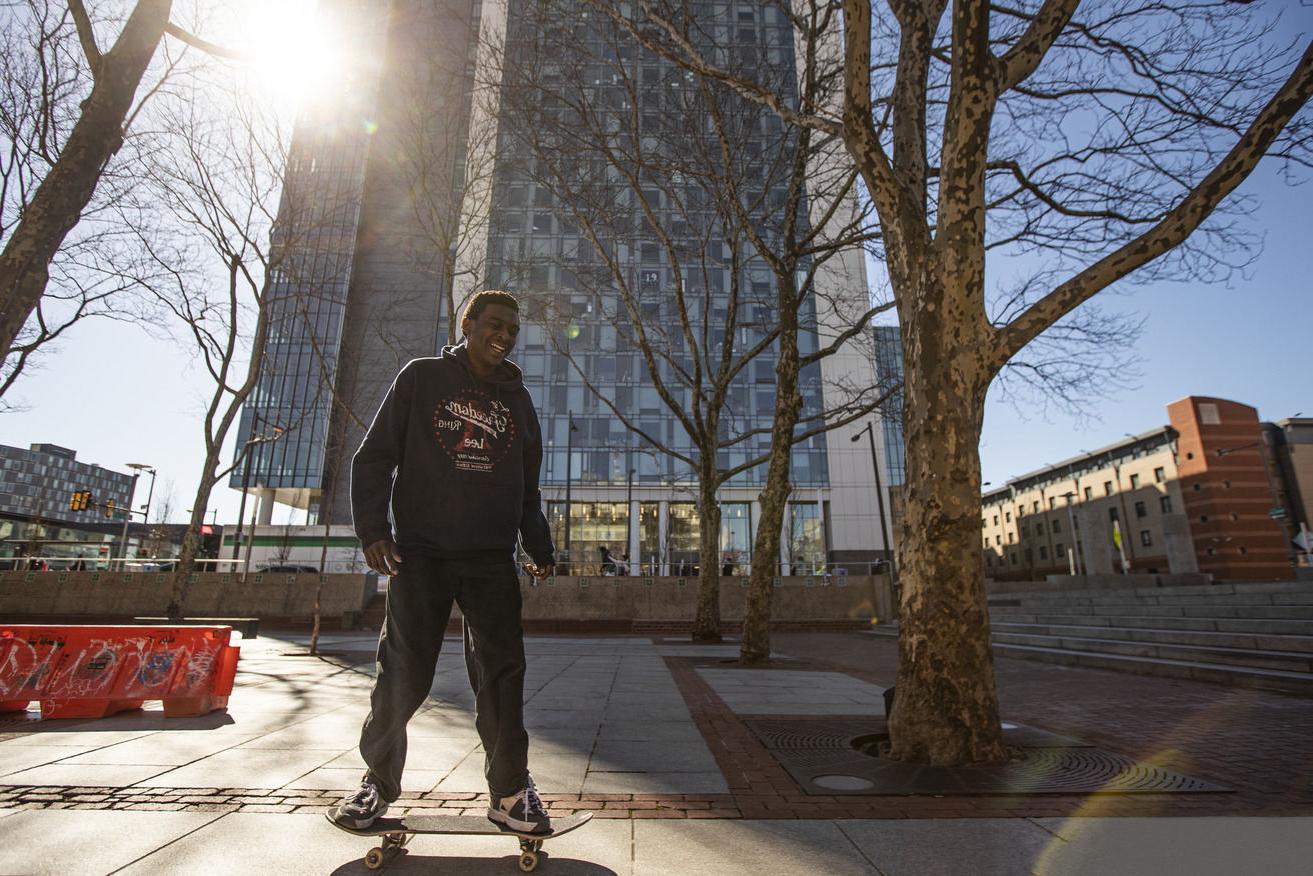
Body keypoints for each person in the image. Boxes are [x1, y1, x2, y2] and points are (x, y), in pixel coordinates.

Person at [330, 290, 556, 834]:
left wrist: (539, 547)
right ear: (468, 323)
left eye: (512, 329)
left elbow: (527, 490)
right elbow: (374, 457)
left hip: (491, 561)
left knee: (503, 676)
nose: (503, 335)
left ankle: (508, 792)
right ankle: (376, 785)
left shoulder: (519, 403)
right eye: (494, 324)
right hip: (422, 555)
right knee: (404, 673)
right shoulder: (421, 378)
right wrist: (373, 532)